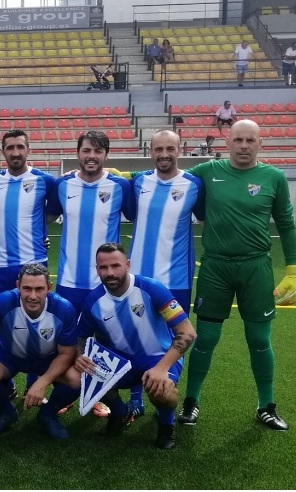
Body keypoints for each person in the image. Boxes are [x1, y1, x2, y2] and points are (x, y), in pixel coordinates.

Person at [178, 120, 296, 431]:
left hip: (255, 268)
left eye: (250, 140)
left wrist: (293, 269)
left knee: (259, 339)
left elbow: (286, 224)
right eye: (239, 140)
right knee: (205, 339)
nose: (244, 145)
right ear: (227, 142)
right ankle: (191, 401)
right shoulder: (207, 171)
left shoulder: (273, 177)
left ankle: (266, 405)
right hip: (215, 267)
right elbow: (170, 177)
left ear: (260, 144)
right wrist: (127, 176)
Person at [76, 243, 197, 449]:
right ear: (97, 270)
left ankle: (166, 425)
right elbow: (80, 337)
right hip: (121, 362)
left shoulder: (151, 288)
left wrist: (161, 368)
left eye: (116, 266)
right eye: (103, 267)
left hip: (157, 358)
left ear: (127, 265)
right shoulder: (93, 300)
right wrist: (80, 356)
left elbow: (187, 332)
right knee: (81, 373)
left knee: (163, 392)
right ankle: (120, 412)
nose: (110, 272)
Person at [52, 130, 133, 418]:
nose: (91, 156)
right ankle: (66, 394)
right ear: (77, 153)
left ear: (106, 155)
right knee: (67, 343)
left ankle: (97, 395)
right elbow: (44, 217)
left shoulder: (120, 186)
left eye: (98, 151)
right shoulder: (62, 185)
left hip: (105, 283)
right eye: (86, 150)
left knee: (103, 344)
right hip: (69, 281)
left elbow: (137, 215)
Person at [126, 130, 203, 421]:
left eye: (170, 148)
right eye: (158, 149)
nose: (164, 154)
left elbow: (206, 216)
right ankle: (135, 398)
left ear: (179, 150)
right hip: (139, 279)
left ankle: (166, 409)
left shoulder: (194, 184)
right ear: (150, 151)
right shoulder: (139, 183)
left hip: (176, 281)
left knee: (174, 341)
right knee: (135, 336)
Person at [0, 263, 80, 438]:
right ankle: (6, 411)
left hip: (47, 358)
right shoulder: (3, 301)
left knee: (76, 380)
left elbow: (66, 353)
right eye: (27, 288)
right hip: (7, 355)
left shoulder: (64, 308)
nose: (33, 296)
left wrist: (42, 383)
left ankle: (48, 414)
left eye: (39, 289)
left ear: (49, 288)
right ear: (18, 286)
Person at [0, 130, 57, 298]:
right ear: (3, 152)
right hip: (0, 264)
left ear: (28, 150)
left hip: (34, 261)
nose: (15, 153)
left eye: (20, 147)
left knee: (35, 310)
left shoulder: (45, 180)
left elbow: (54, 212)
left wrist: (39, 232)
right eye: (10, 148)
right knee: (0, 312)